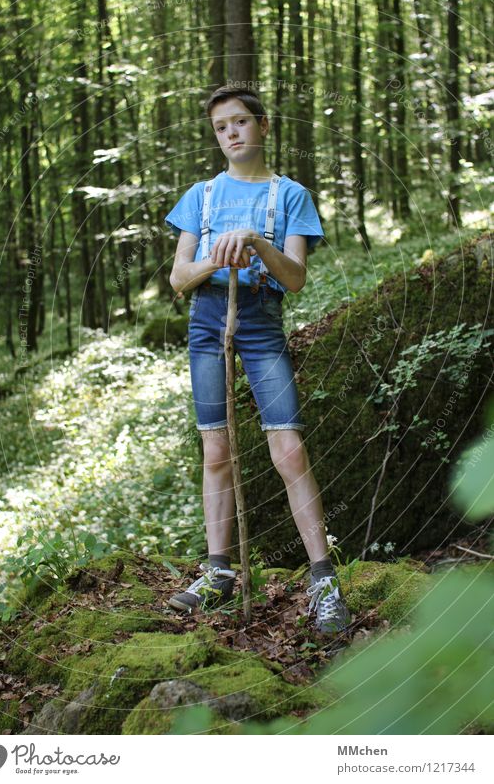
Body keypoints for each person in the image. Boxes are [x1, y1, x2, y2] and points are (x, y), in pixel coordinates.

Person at [163, 85, 350, 634]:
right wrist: (216, 257)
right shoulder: (200, 196)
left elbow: (293, 277)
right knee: (216, 447)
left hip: (262, 323)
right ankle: (218, 574)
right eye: (221, 127)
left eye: (240, 122)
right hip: (207, 322)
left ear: (263, 127)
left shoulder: (290, 195)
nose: (231, 134)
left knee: (289, 448)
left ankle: (323, 580)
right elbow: (178, 278)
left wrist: (256, 245)